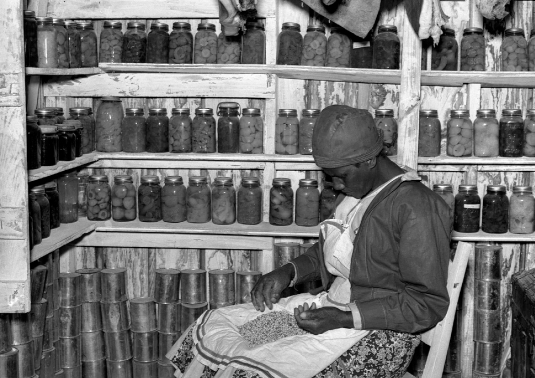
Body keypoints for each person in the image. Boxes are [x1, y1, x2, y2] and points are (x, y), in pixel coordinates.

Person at [169, 105, 451, 378]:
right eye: (330, 177)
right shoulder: (358, 191)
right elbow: (341, 252)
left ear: (368, 160)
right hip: (336, 306)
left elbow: (427, 304)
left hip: (382, 334)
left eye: (340, 177)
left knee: (256, 366)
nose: (336, 186)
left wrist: (343, 317)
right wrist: (289, 271)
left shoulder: (417, 207)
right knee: (218, 325)